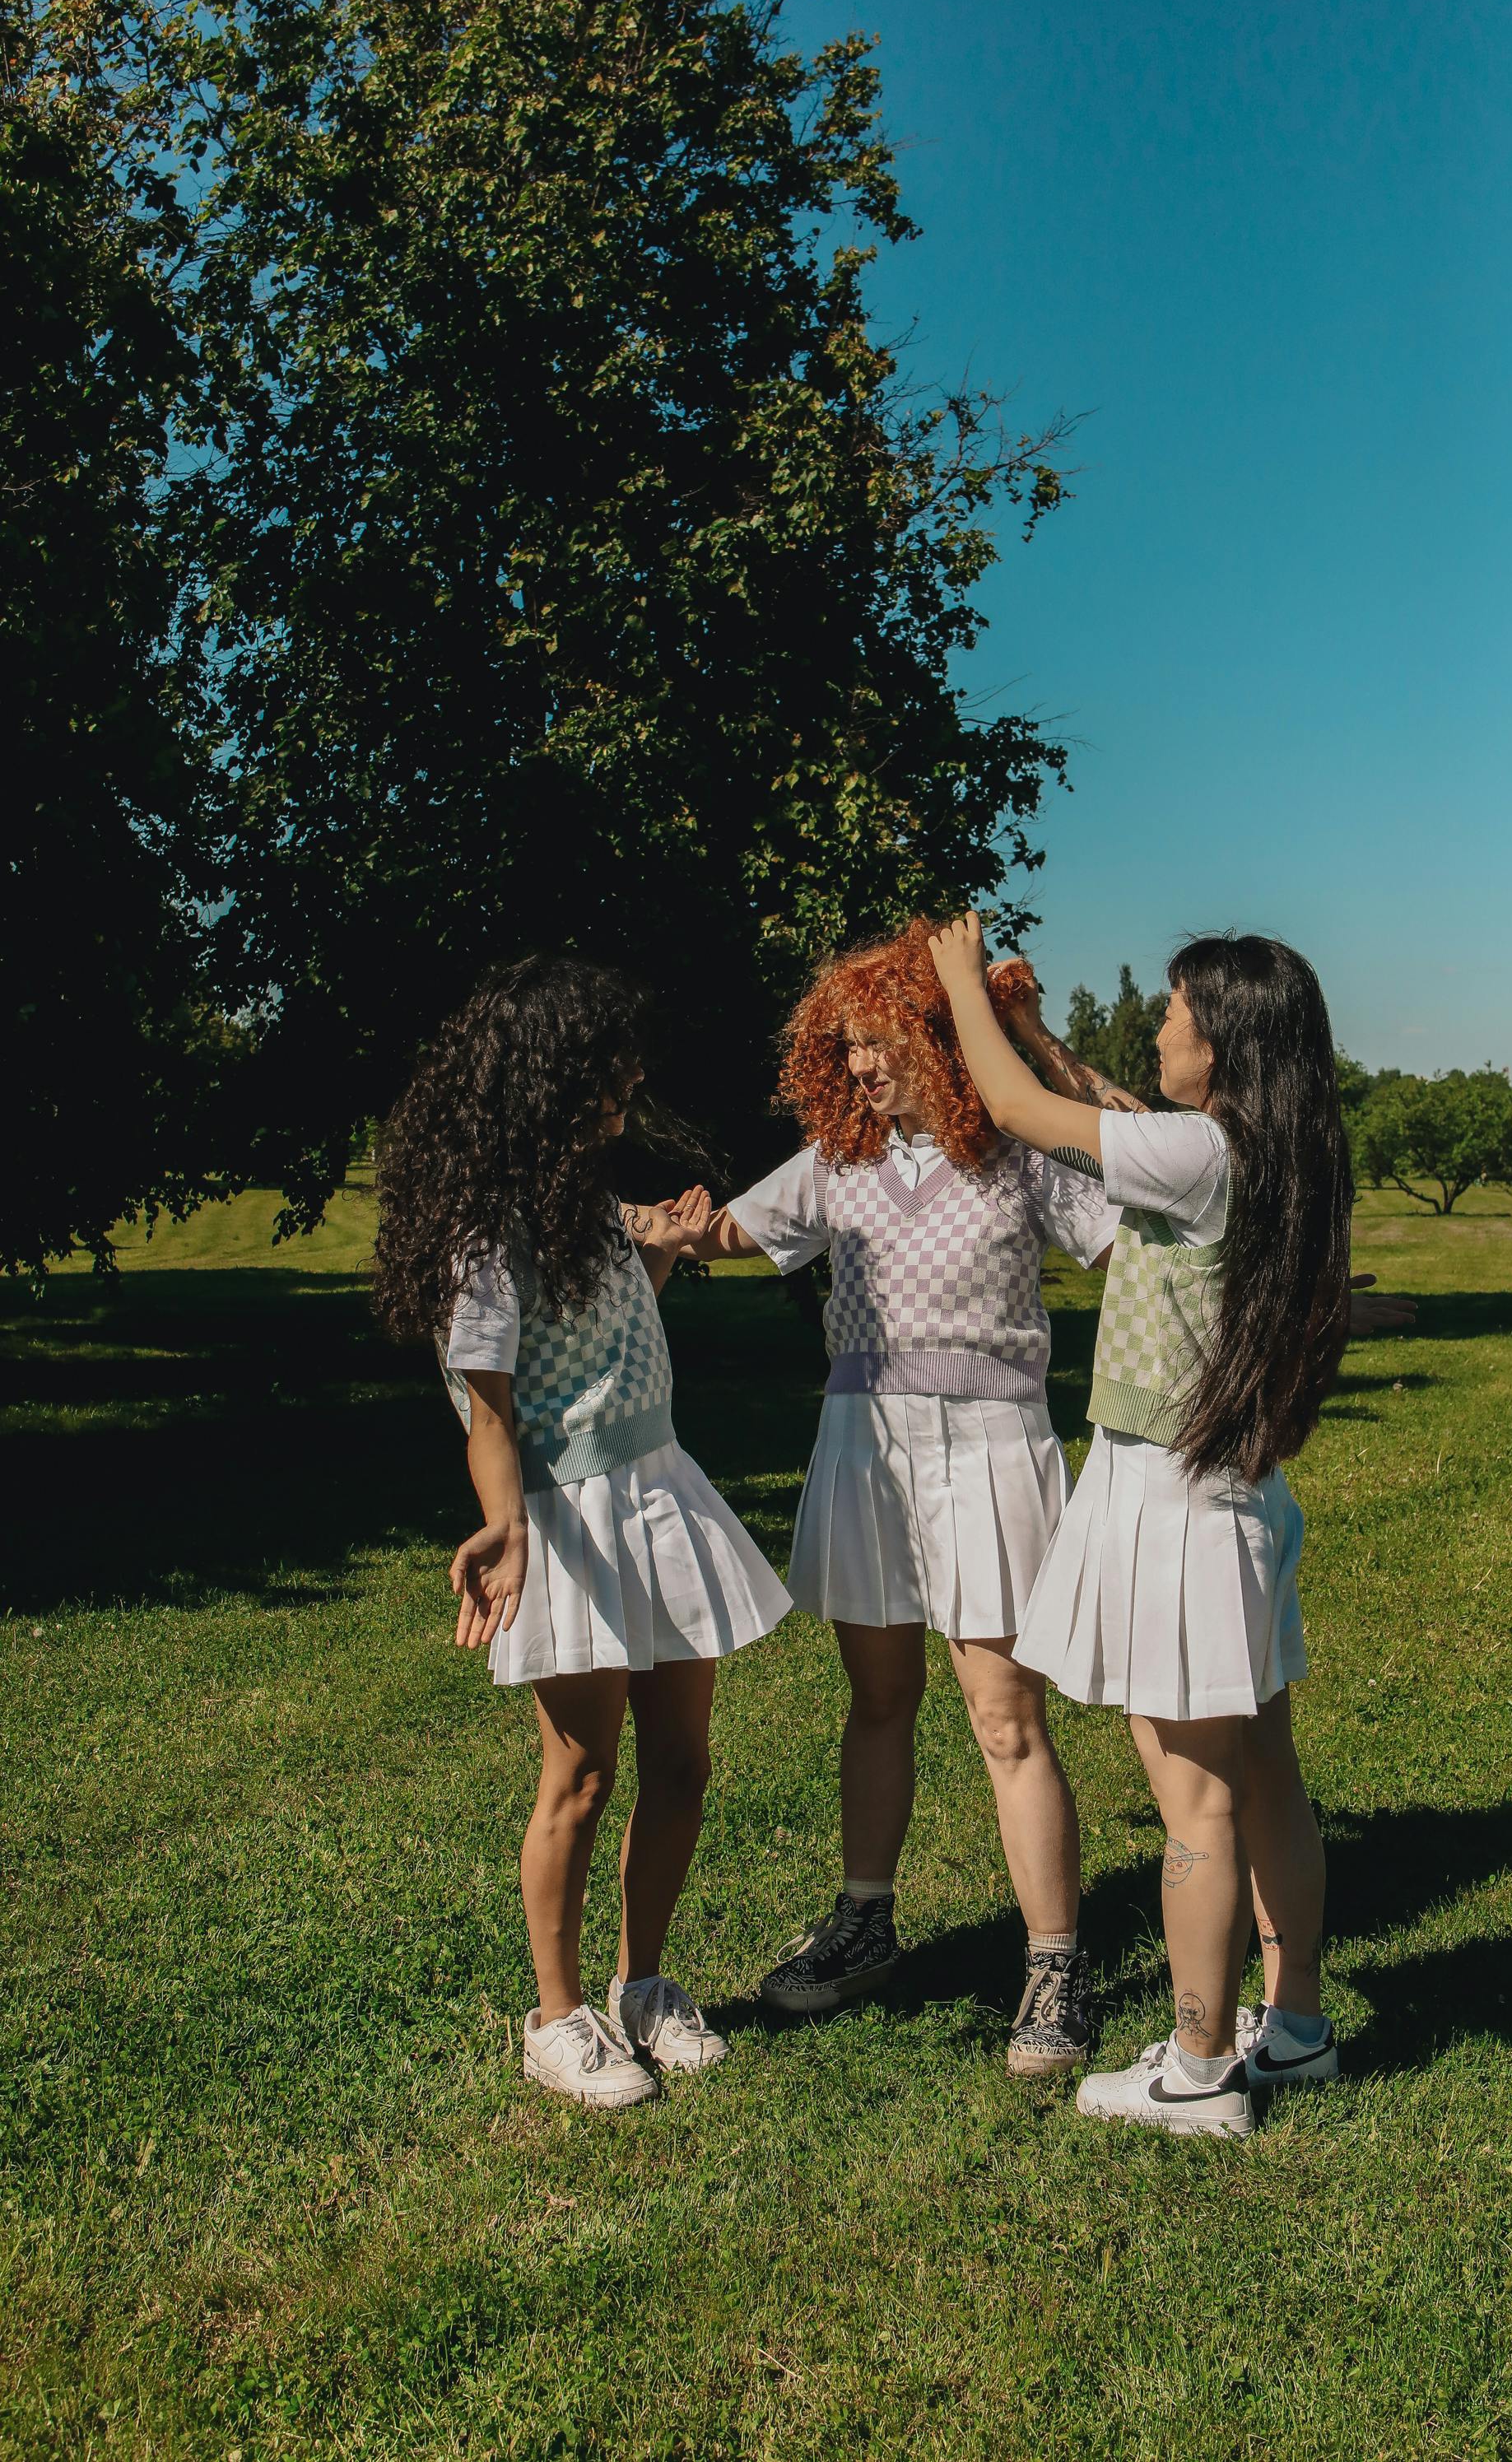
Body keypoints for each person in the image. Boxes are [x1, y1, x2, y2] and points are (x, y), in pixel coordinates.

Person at [929, 913, 1402, 2138]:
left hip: (1177, 1508)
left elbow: (1034, 1121)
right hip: (1239, 1498)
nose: (1157, 1022)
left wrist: (961, 994)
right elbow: (1113, 1109)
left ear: (1225, 1045)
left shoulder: (1200, 1157)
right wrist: (1034, 1031)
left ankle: (1197, 2070)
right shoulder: (1266, 1150)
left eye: (1176, 1009)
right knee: (1269, 1782)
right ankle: (1290, 2031)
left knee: (1193, 1801)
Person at [684, 919, 1134, 2076]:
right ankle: (864, 1922)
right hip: (863, 1443)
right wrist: (623, 1225)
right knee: (877, 1698)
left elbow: (1143, 1237)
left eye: (881, 1043)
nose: (863, 1067)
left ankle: (1055, 1965)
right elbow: (725, 1229)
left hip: (991, 1445)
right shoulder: (839, 1163)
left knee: (1004, 1716)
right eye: (848, 1049)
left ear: (942, 1039)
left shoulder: (1024, 1155)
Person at [373, 955, 791, 2111]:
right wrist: (505, 1527)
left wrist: (653, 1251)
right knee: (584, 1772)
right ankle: (556, 2018)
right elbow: (491, 1414)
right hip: (571, 1519)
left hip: (662, 1492)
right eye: (610, 1063)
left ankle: (643, 1987)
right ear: (552, 1079)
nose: (632, 1078)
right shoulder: (484, 1234)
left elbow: (608, 1334)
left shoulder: (586, 1205)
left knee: (685, 1763)